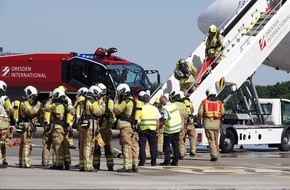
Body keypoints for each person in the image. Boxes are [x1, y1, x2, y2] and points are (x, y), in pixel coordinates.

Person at [113, 83, 139, 173]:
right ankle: (134, 165)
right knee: (133, 146)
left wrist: (116, 103)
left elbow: (116, 111)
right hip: (132, 127)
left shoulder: (126, 101)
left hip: (125, 126)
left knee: (126, 146)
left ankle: (127, 167)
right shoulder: (133, 100)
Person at [77, 85, 103, 172]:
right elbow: (99, 113)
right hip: (90, 126)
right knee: (89, 145)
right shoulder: (92, 101)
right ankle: (88, 166)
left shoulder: (83, 100)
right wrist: (100, 104)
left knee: (83, 145)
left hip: (83, 124)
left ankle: (82, 165)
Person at [44, 88, 71, 170]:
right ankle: (67, 163)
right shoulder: (66, 104)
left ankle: (58, 164)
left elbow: (46, 108)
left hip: (57, 128)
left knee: (57, 145)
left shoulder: (56, 105)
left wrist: (50, 99)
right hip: (64, 127)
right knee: (64, 145)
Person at [197, 87, 225, 161]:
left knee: (211, 140)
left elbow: (200, 113)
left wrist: (198, 121)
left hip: (208, 124)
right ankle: (216, 153)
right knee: (216, 140)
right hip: (217, 124)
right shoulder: (219, 102)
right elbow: (223, 112)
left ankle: (214, 155)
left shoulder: (204, 102)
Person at [93, 83, 115, 171]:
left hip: (105, 127)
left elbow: (111, 114)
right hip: (98, 127)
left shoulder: (109, 101)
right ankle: (96, 165)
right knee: (96, 148)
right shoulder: (96, 100)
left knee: (107, 147)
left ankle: (110, 166)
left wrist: (109, 125)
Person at [18, 85, 41, 168]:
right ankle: (26, 163)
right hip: (27, 125)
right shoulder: (25, 103)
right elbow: (31, 111)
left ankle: (22, 162)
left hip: (27, 125)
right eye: (33, 96)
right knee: (27, 144)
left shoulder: (25, 102)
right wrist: (38, 105)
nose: (33, 98)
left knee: (24, 144)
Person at [138, 94, 161, 167]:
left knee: (142, 146)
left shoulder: (140, 108)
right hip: (152, 129)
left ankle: (142, 161)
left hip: (143, 129)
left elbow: (138, 120)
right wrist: (157, 129)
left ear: (142, 100)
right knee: (153, 146)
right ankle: (153, 162)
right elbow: (158, 120)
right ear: (150, 99)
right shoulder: (154, 108)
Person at [159, 95, 182, 166]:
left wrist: (160, 125)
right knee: (175, 144)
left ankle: (167, 161)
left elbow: (165, 119)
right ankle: (175, 161)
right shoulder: (174, 105)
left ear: (162, 102)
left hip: (170, 129)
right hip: (177, 128)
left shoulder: (165, 108)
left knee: (166, 145)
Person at [169, 91, 188, 160]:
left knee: (174, 141)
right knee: (181, 140)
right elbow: (186, 115)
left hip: (174, 126)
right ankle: (182, 153)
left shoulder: (173, 105)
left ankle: (175, 154)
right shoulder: (183, 105)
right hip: (181, 125)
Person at [0, 80, 14, 168]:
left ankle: (3, 159)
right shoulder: (4, 98)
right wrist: (13, 107)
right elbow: (10, 110)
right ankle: (2, 160)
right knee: (2, 141)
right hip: (3, 122)